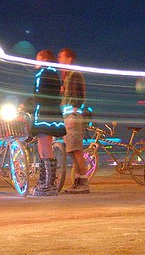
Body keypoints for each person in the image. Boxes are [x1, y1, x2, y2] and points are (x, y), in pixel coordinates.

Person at [28, 50, 66, 196]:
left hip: (44, 112)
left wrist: (28, 106)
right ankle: (45, 182)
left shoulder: (41, 74)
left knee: (44, 146)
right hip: (54, 111)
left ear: (43, 60)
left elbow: (38, 95)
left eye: (37, 59)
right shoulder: (54, 74)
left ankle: (48, 185)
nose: (35, 62)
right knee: (44, 145)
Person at [58, 48, 89, 194]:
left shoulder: (75, 74)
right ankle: (78, 182)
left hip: (73, 117)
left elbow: (79, 95)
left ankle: (83, 183)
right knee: (72, 151)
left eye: (61, 57)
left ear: (69, 58)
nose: (59, 59)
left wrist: (75, 110)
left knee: (76, 151)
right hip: (68, 116)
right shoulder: (67, 76)